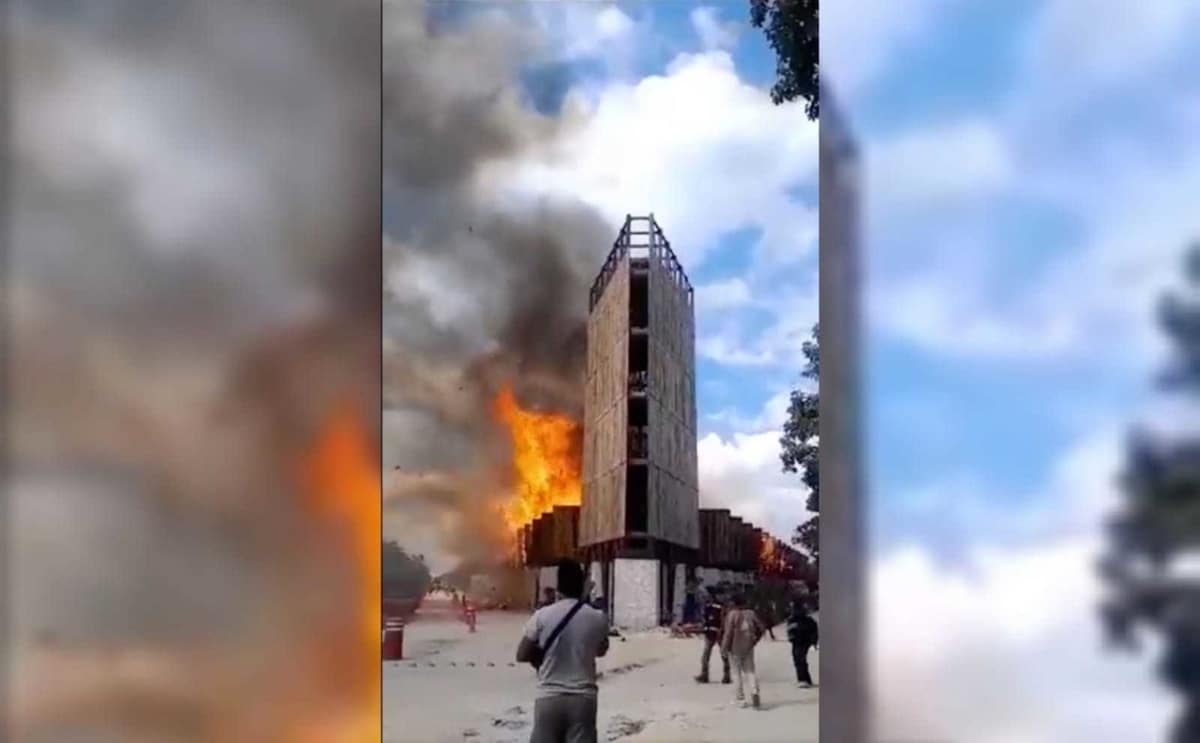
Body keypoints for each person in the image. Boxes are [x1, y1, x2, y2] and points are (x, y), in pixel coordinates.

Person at [517, 560, 610, 743]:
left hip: (549, 698)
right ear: (582, 584)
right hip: (583, 699)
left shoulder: (542, 616)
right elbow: (601, 650)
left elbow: (521, 654)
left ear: (558, 586)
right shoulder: (597, 617)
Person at [721, 592, 765, 709]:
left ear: (733, 603)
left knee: (736, 674)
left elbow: (728, 633)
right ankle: (754, 691)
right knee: (750, 671)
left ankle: (741, 699)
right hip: (748, 647)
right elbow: (762, 628)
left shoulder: (732, 615)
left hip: (734, 648)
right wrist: (754, 641)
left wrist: (724, 648)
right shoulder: (751, 613)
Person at [694, 587, 731, 684]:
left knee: (723, 655)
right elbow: (705, 620)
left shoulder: (720, 606)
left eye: (707, 595)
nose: (705, 596)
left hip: (719, 633)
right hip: (709, 632)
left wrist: (721, 630)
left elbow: (723, 619)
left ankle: (727, 675)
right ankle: (704, 675)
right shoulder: (707, 606)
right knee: (706, 656)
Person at [786, 599, 819, 687]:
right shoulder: (792, 619)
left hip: (804, 641)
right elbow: (790, 631)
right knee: (798, 660)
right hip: (797, 642)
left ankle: (803, 679)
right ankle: (805, 679)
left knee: (800, 659)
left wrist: (814, 642)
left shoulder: (806, 620)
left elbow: (814, 631)